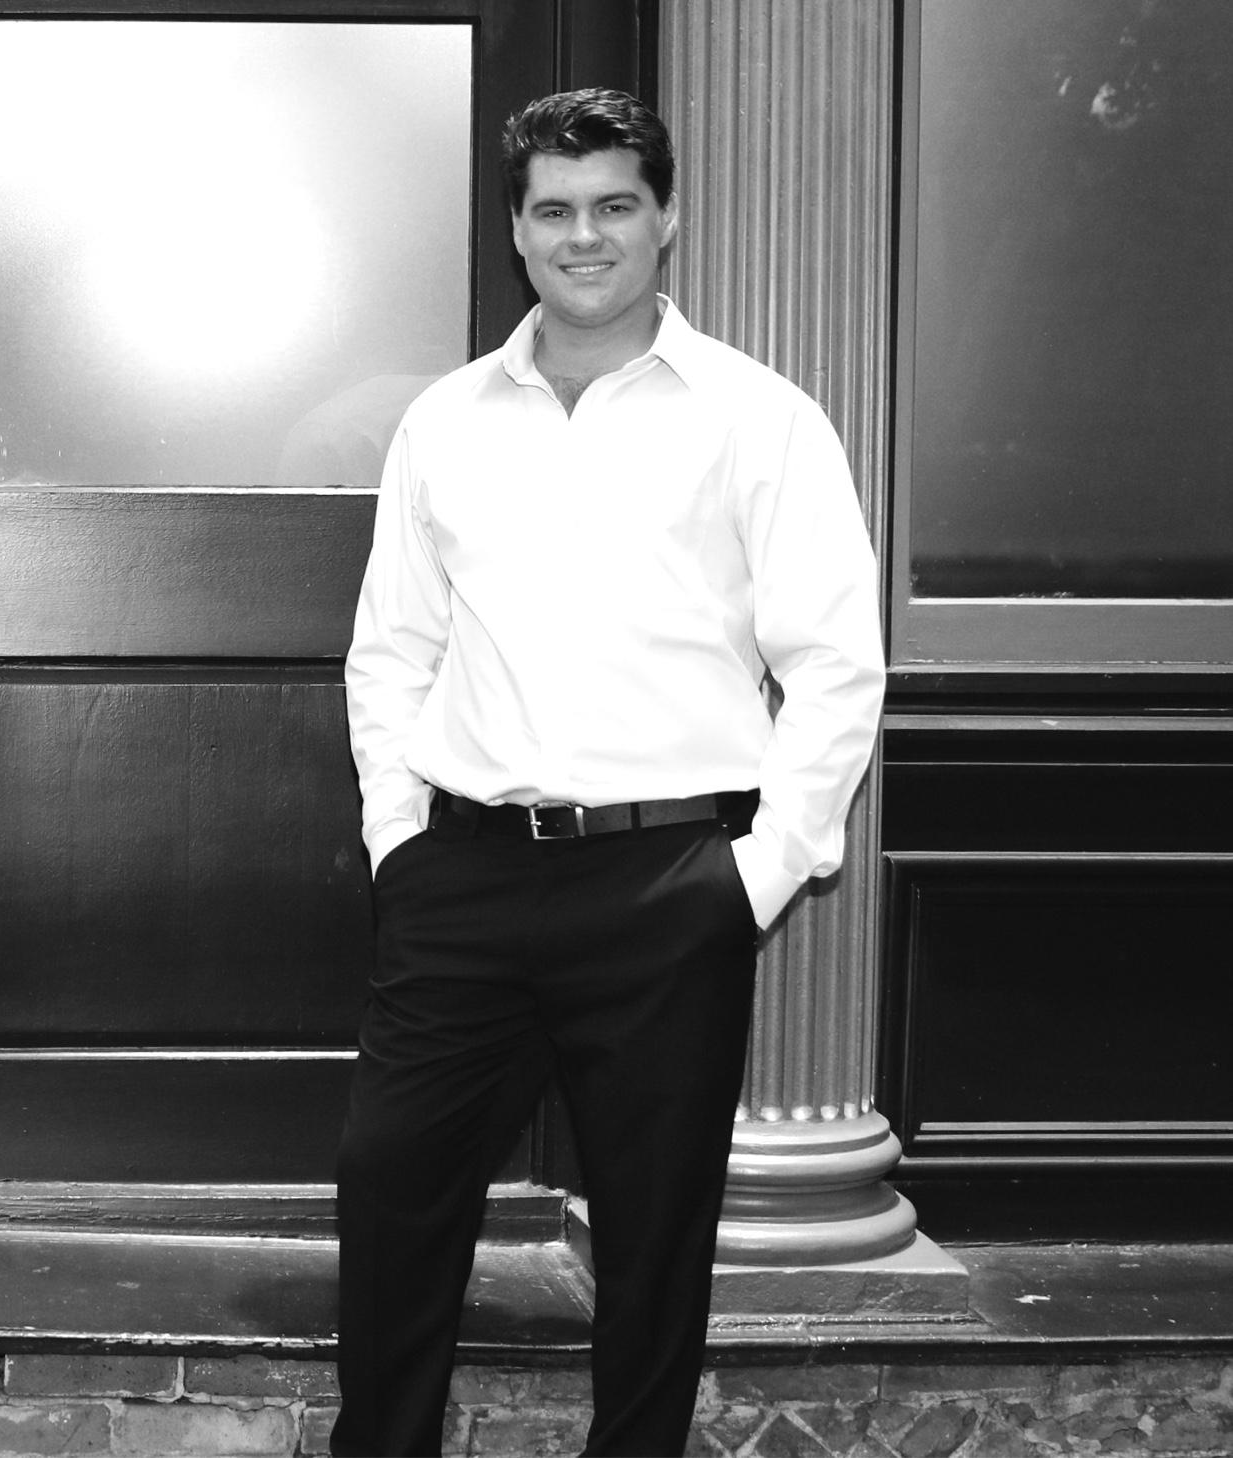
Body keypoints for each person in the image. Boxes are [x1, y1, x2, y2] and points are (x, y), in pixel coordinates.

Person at [335, 90, 883, 1456]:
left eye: (615, 205)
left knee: (651, 1234)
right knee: (391, 1191)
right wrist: (401, 841)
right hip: (461, 878)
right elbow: (391, 648)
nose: (584, 236)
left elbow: (835, 667)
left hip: (666, 883)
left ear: (665, 217)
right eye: (555, 210)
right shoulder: (444, 422)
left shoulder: (760, 419)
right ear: (518, 230)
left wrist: (755, 875)